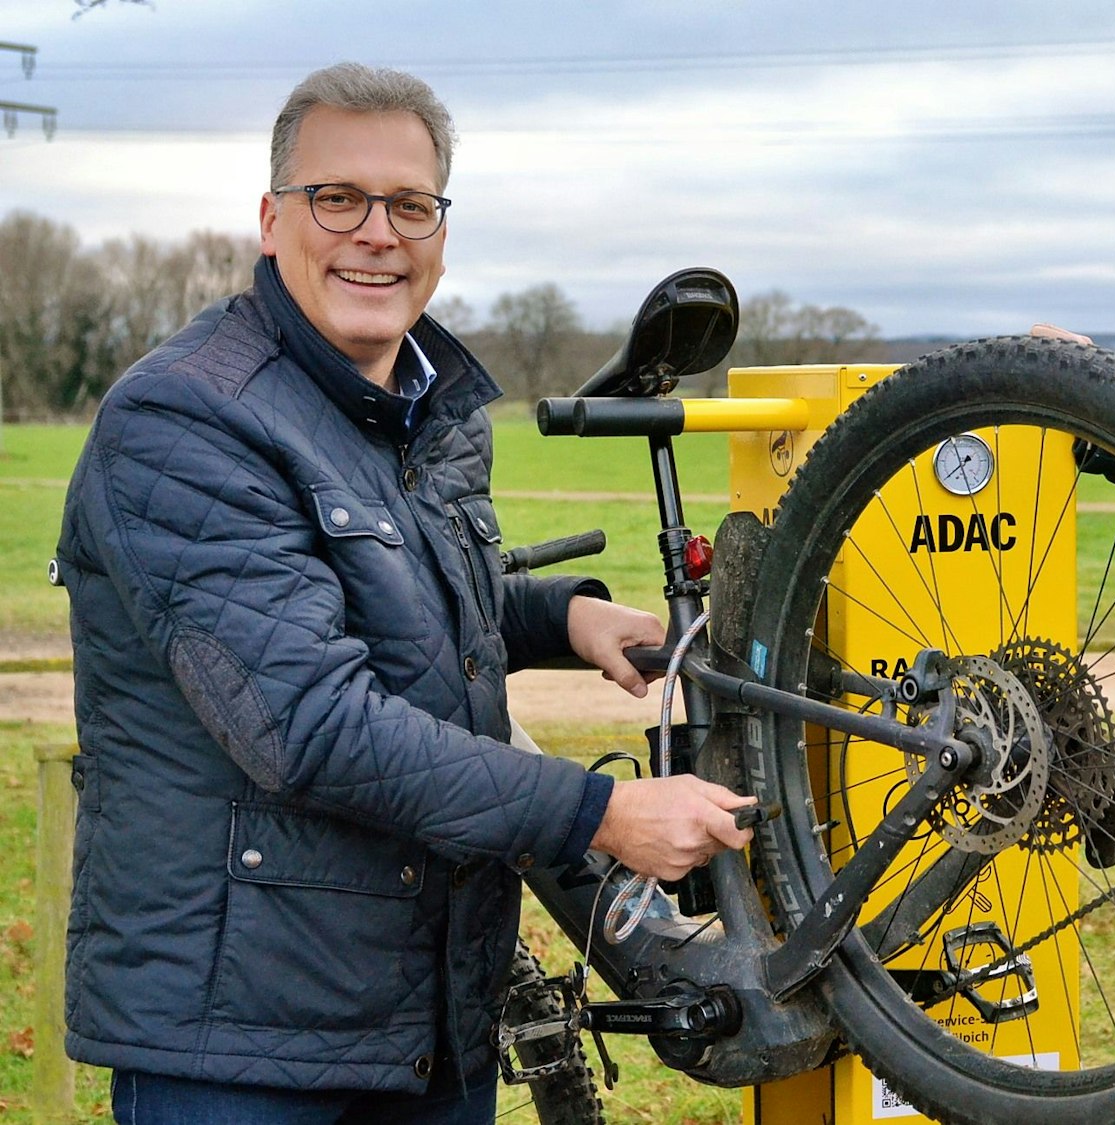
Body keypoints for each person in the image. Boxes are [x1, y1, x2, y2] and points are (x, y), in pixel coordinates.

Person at [56, 62, 753, 1123]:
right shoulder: (186, 420)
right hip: (240, 1039)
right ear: (270, 219)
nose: (376, 232)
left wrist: (564, 615)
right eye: (337, 198)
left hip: (425, 1020)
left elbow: (405, 611)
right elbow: (309, 723)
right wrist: (599, 813)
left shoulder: (426, 406)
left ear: (439, 228)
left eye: (410, 205)